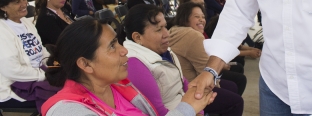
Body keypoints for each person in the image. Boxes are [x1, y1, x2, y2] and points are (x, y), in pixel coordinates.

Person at [42, 18, 213, 116]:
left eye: (118, 42)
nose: (124, 50)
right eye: (112, 46)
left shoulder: (120, 86)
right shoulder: (68, 111)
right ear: (85, 64)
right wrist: (186, 109)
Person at [123, 4, 219, 116]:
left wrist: (198, 109)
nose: (166, 34)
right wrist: (193, 110)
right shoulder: (134, 64)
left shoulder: (162, 50)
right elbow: (157, 110)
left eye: (165, 26)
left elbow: (182, 81)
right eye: (159, 29)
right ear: (138, 37)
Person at [169, 2, 244, 115]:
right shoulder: (192, 35)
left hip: (182, 84)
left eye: (203, 17)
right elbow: (207, 71)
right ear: (185, 18)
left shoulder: (175, 30)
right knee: (237, 101)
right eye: (197, 17)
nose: (202, 20)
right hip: (192, 87)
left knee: (232, 85)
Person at [0, 0, 49, 108]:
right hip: (17, 84)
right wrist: (44, 75)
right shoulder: (2, 30)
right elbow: (12, 70)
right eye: (17, 2)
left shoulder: (26, 23)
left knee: (74, 80)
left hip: (39, 74)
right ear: (3, 7)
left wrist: (54, 65)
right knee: (65, 94)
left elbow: (41, 51)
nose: (24, 4)